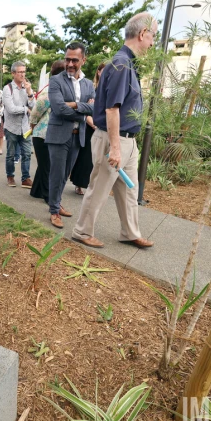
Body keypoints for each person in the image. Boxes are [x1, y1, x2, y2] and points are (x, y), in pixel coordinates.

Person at [72, 13, 157, 249]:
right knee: (99, 188)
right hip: (114, 140)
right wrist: (116, 149)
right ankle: (82, 231)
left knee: (130, 190)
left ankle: (130, 232)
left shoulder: (127, 63)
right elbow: (112, 110)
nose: (153, 43)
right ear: (142, 34)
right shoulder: (121, 65)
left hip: (126, 140)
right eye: (153, 37)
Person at [45, 42, 95, 229]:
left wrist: (73, 104)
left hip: (77, 136)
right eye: (67, 59)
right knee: (57, 175)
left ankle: (56, 203)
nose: (70, 64)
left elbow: (95, 108)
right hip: (58, 135)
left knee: (65, 174)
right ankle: (54, 211)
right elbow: (58, 109)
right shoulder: (56, 81)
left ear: (83, 60)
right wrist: (84, 108)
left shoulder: (88, 84)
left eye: (75, 60)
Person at [29, 60, 66, 203]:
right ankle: (48, 196)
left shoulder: (59, 89)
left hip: (49, 134)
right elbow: (36, 111)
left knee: (45, 165)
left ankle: (36, 191)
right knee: (47, 167)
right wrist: (32, 125)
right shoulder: (50, 90)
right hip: (42, 134)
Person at [71, 62, 106, 195]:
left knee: (98, 160)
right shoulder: (92, 88)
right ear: (98, 72)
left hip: (102, 127)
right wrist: (94, 124)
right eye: (104, 70)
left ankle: (93, 186)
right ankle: (79, 184)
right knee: (85, 158)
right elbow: (86, 110)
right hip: (90, 126)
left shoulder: (109, 89)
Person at [2, 61, 34, 188]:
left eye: (24, 72)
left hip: (25, 127)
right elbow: (10, 109)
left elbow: (34, 106)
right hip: (11, 127)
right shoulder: (7, 89)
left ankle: (25, 178)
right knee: (10, 155)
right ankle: (10, 176)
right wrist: (25, 109)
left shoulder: (27, 88)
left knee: (26, 154)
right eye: (20, 72)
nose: (22, 74)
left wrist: (30, 92)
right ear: (13, 73)